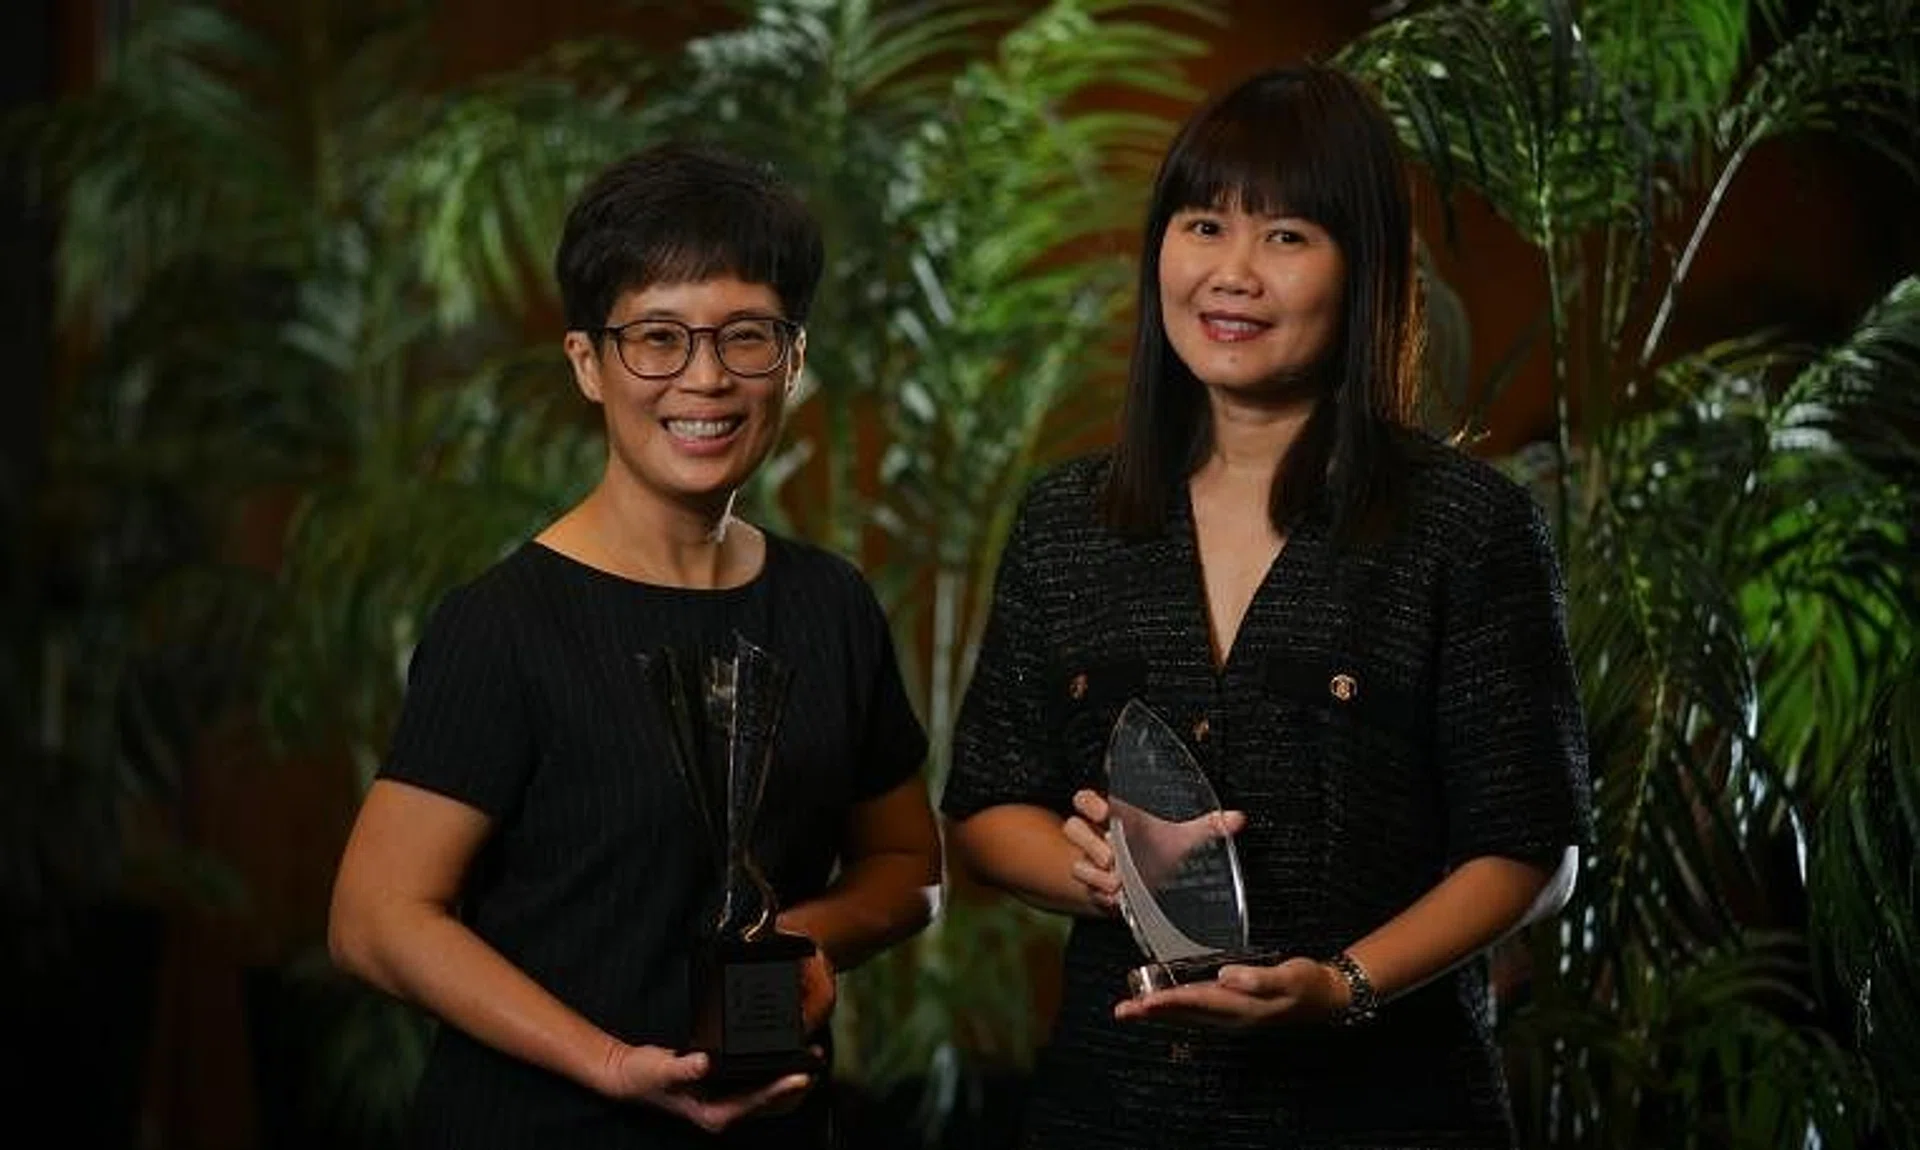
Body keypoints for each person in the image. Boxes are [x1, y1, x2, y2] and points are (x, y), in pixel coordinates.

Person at [940, 64, 1591, 1149]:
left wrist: (1343, 985)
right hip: (1111, 1110)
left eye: (1286, 237)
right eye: (1203, 225)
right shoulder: (1068, 522)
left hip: (1384, 1113)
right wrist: (1093, 868)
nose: (1232, 274)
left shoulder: (1466, 527)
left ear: (1363, 270)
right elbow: (984, 813)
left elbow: (1532, 850)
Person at [328, 142, 942, 1149]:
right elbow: (375, 918)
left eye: (745, 336)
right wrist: (610, 1065)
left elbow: (911, 863)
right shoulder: (504, 623)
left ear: (792, 359)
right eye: (658, 337)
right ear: (587, 363)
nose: (704, 378)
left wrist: (804, 939)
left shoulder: (831, 604)